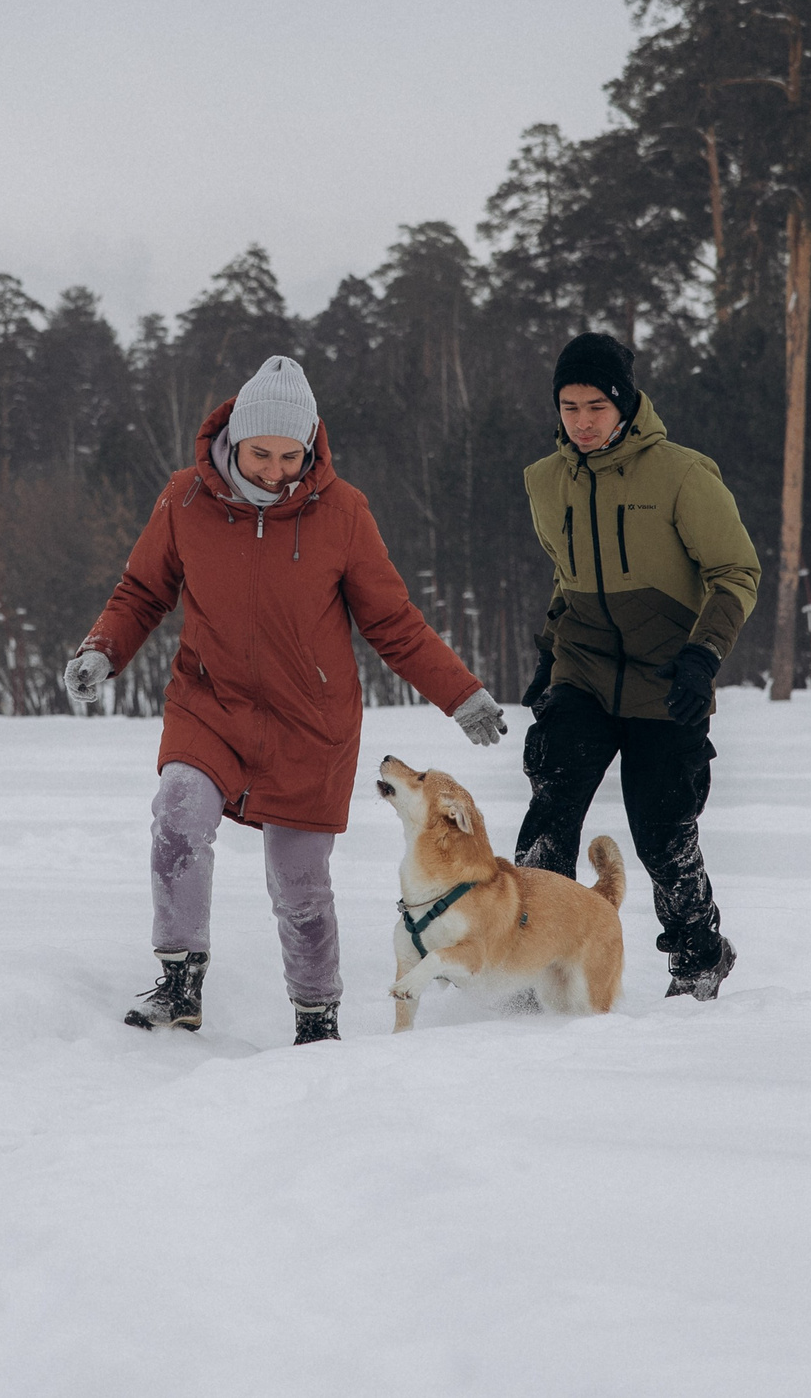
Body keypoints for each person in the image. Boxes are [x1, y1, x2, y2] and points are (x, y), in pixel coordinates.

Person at [64, 355, 506, 1045]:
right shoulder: (184, 500)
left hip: (311, 723)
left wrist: (463, 693)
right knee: (178, 818)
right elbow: (143, 592)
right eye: (260, 453)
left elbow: (391, 621)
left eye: (289, 455)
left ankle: (315, 1016)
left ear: (311, 446)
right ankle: (180, 981)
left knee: (300, 885)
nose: (275, 471)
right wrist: (102, 649)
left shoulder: (344, 513)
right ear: (233, 441)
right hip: (209, 704)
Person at [514, 332, 759, 1000]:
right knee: (551, 812)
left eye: (596, 405)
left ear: (624, 404)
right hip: (585, 671)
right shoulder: (545, 483)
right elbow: (567, 581)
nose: (583, 421)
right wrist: (549, 654)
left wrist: (702, 657)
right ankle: (525, 960)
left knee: (662, 832)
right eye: (569, 406)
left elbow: (736, 572)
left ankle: (698, 954)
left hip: (666, 679)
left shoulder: (681, 474)